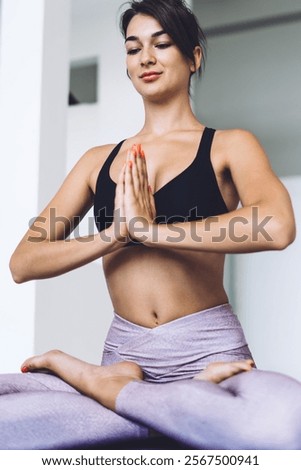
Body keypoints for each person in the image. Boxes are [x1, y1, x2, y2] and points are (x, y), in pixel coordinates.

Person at [2, 0, 301, 450]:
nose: (146, 58)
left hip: (209, 348)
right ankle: (161, 400)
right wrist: (115, 235)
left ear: (193, 56)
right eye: (133, 48)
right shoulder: (96, 161)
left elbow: (277, 226)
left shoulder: (229, 146)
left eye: (162, 44)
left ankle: (108, 391)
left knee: (278, 427)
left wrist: (152, 231)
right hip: (125, 353)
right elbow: (24, 262)